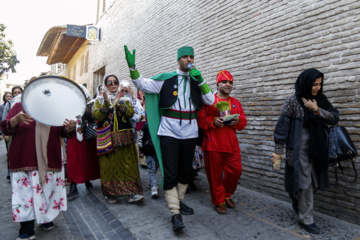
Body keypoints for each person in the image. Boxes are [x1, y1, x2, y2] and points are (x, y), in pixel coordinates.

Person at [124, 45, 215, 231]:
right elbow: (142, 85)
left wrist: (202, 81)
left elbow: (211, 101)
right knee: (171, 172)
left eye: (191, 57)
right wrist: (133, 68)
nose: (189, 60)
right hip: (169, 131)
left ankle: (179, 202)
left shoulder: (197, 81)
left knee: (185, 173)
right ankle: (175, 213)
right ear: (178, 59)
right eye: (185, 57)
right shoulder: (167, 79)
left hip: (190, 132)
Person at [272, 68, 339, 235]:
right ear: (306, 83)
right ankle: (306, 219)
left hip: (318, 150)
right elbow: (281, 129)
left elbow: (335, 117)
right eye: (314, 84)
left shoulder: (320, 100)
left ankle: (296, 198)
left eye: (319, 84)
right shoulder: (292, 102)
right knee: (306, 184)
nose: (316, 88)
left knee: (315, 183)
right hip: (298, 150)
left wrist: (317, 110)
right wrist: (278, 151)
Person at [1, 101, 76, 240]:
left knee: (47, 191)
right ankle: (26, 229)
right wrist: (16, 119)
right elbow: (6, 129)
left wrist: (70, 128)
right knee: (24, 196)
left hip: (49, 157)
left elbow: (62, 131)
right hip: (23, 157)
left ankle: (46, 219)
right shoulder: (19, 106)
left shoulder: (54, 108)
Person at [197, 70, 247, 214]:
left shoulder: (235, 102)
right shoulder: (209, 100)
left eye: (230, 82)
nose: (228, 85)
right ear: (218, 84)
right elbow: (201, 119)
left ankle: (227, 195)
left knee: (236, 171)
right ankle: (218, 200)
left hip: (231, 145)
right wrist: (214, 121)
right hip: (213, 144)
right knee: (215, 175)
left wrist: (237, 121)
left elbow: (243, 122)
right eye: (224, 82)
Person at [93, 74, 144, 204]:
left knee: (128, 165)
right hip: (107, 138)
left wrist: (118, 104)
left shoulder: (125, 99)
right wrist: (106, 103)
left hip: (124, 138)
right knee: (109, 167)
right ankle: (111, 194)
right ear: (105, 84)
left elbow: (131, 114)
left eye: (115, 82)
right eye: (109, 82)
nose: (113, 84)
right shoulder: (99, 100)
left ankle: (132, 192)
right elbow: (97, 116)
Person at [66, 85, 100, 200]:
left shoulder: (89, 104)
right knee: (73, 160)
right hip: (72, 135)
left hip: (86, 135)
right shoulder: (67, 104)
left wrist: (86, 109)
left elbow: (93, 118)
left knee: (87, 159)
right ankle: (73, 185)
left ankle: (87, 179)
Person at [138, 122, 159, 198]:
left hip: (157, 151)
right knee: (152, 169)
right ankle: (153, 188)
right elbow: (141, 137)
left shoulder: (160, 124)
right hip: (149, 151)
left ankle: (151, 182)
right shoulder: (146, 125)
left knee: (155, 167)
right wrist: (141, 150)